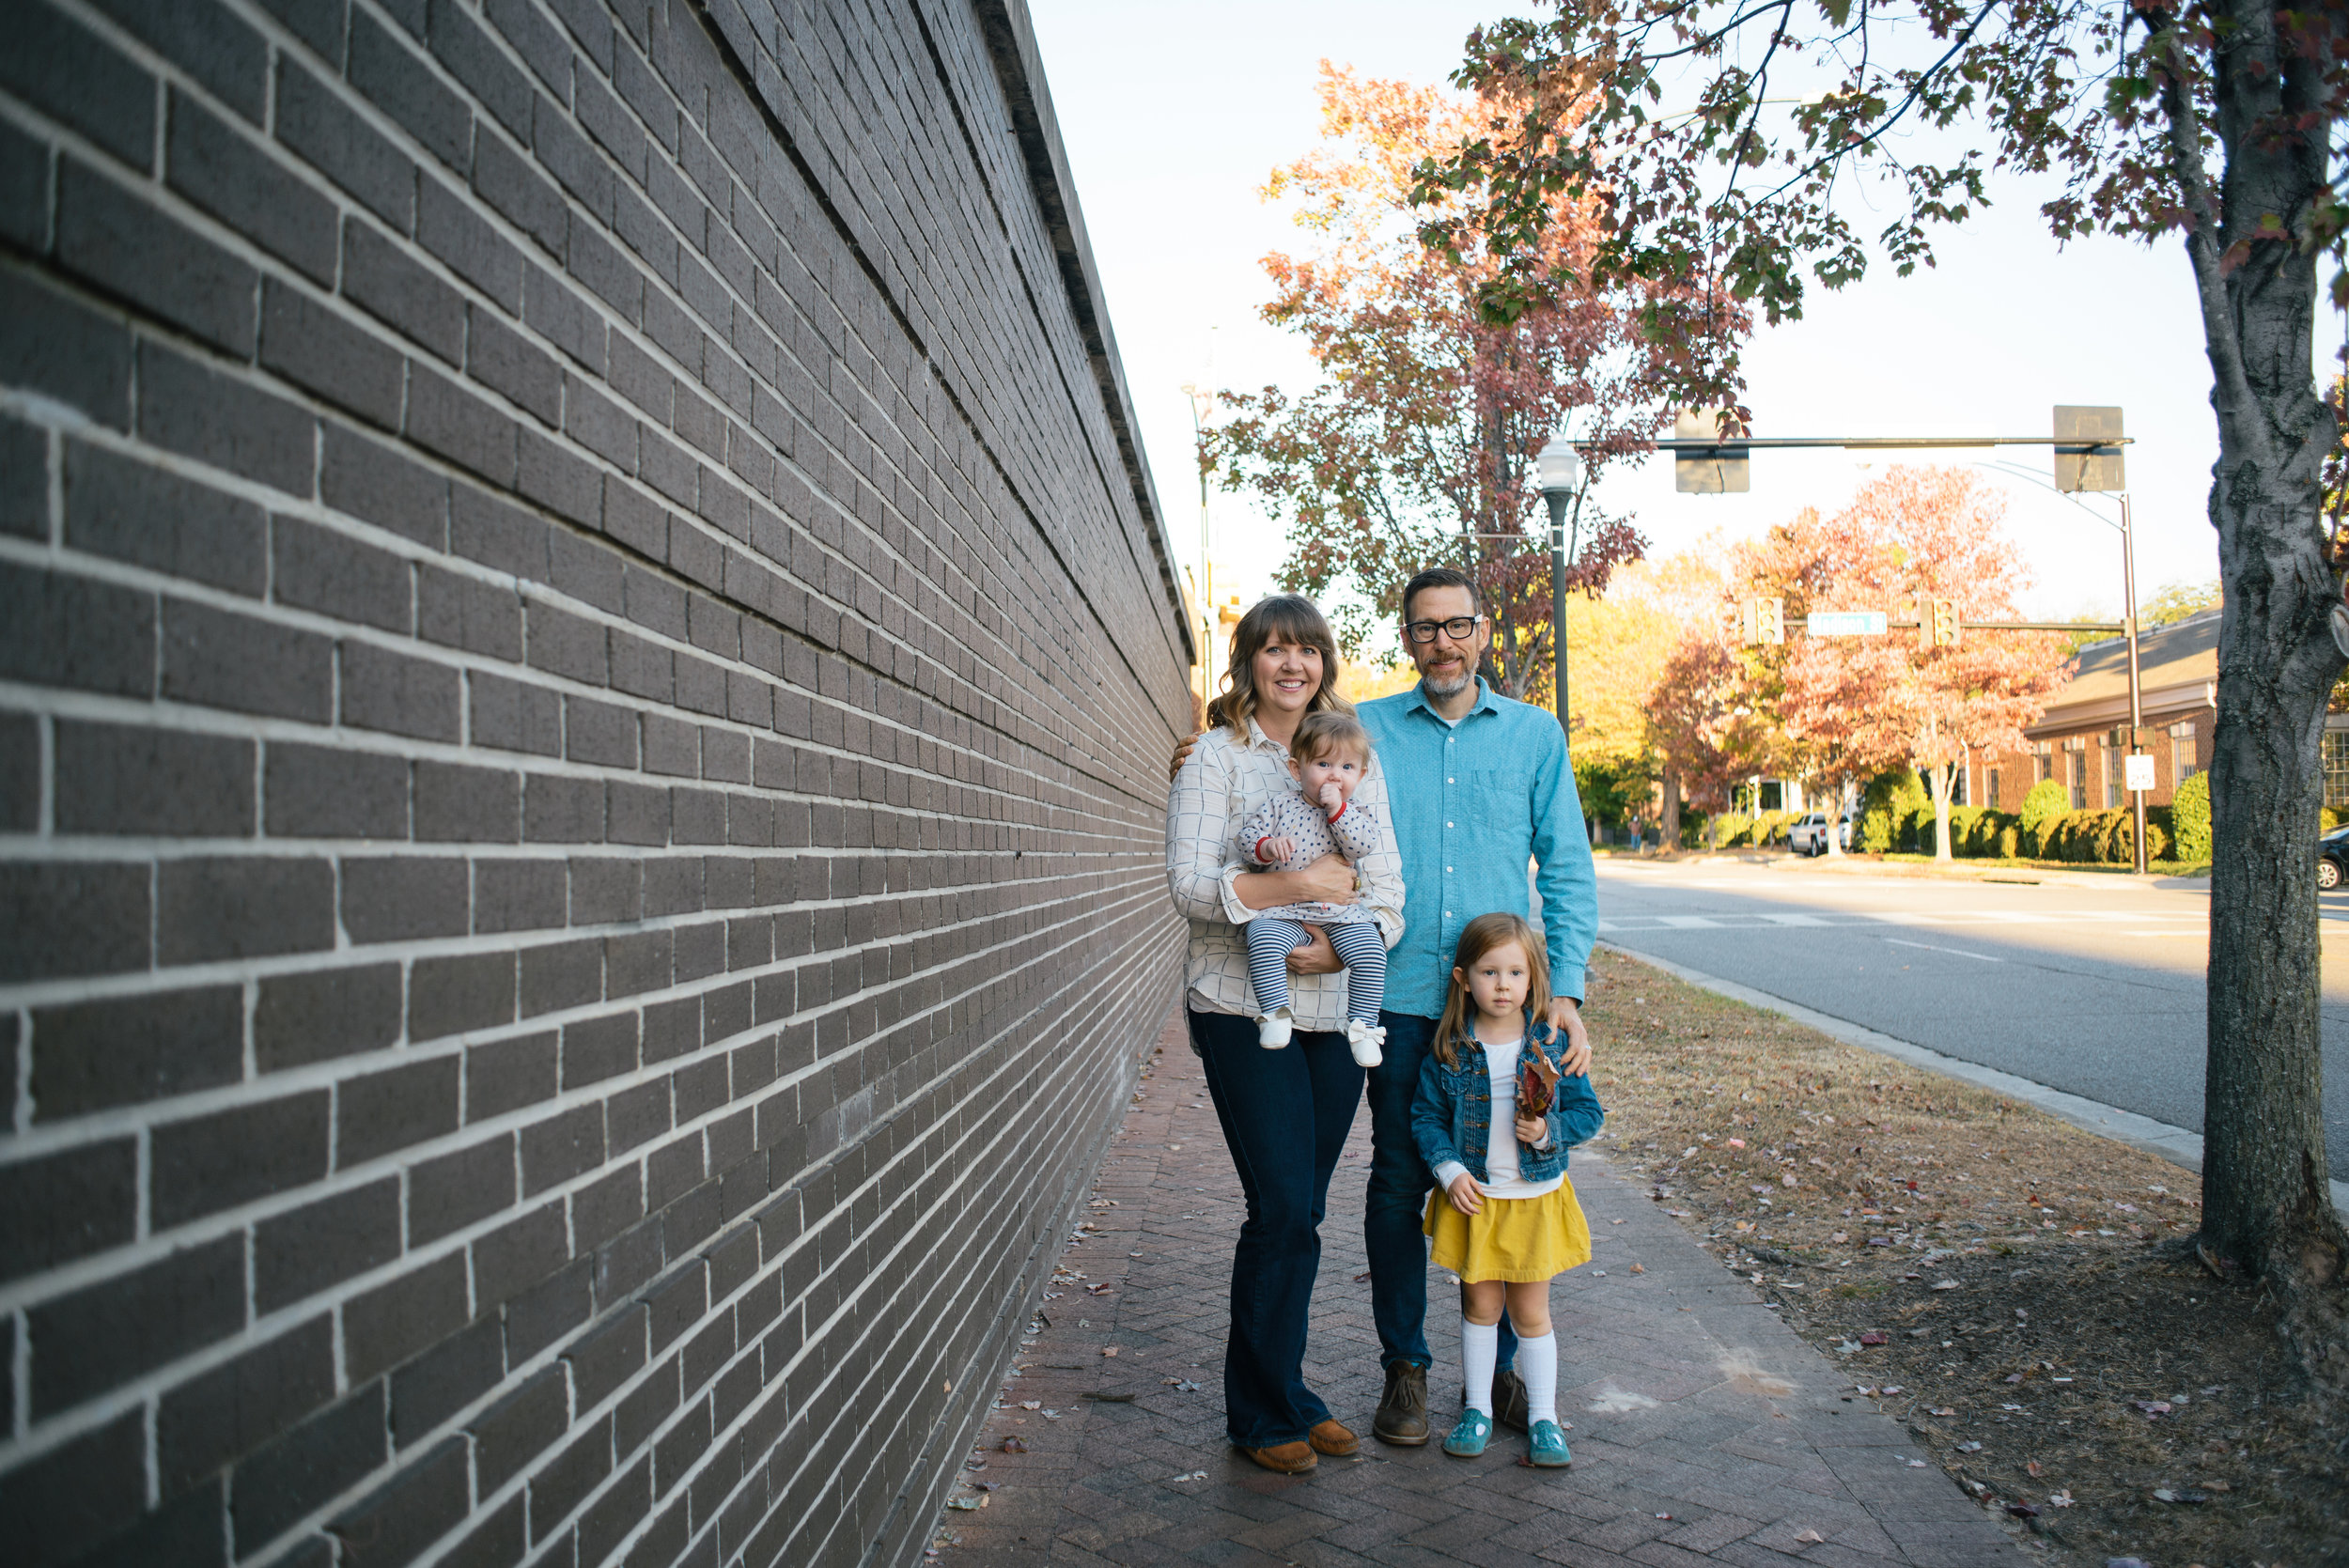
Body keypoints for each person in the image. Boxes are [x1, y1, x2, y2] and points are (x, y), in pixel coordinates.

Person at [1164, 567, 1596, 1446]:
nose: (1443, 640)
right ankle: (1344, 1386)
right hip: (1321, 1005)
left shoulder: (1469, 742)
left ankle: (1484, 1374)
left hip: (1414, 1008)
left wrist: (1570, 988)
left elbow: (1528, 874)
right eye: (1425, 627)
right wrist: (1282, 866)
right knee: (1345, 1192)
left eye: (1458, 625)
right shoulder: (1291, 747)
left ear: (1482, 634)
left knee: (1477, 1181)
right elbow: (1209, 856)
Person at [1163, 595, 1405, 1475]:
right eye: (1274, 651)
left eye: (1307, 649)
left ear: (1325, 662)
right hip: (1239, 1006)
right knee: (1277, 1207)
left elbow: (1384, 889)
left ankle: (1289, 1391)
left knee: (1303, 1207)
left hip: (1337, 1012)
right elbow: (1193, 886)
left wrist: (1340, 945)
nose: (1291, 665)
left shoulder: (1352, 756)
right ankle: (1260, 1416)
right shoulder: (1215, 760)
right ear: (1249, 662)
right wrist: (1303, 882)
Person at [1411, 913, 1603, 1467]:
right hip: (1478, 1200)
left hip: (1533, 1200)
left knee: (1530, 1314)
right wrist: (1447, 1169)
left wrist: (1548, 1134)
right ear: (1462, 978)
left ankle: (1543, 1415)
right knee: (1479, 1306)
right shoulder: (1451, 1047)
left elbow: (1589, 1114)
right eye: (1489, 972)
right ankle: (1479, 1410)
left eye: (1515, 972)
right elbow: (1424, 1116)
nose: (1502, 985)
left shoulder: (1549, 1041)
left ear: (1532, 978)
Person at [1237, 709, 1389, 1063]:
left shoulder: (1357, 811)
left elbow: (1361, 846)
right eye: (1323, 764)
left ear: (1361, 775)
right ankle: (1275, 1015)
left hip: (1339, 913)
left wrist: (1337, 810)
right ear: (1297, 769)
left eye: (1347, 768)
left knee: (1371, 952)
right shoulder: (1279, 805)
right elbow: (1246, 839)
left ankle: (1364, 1027)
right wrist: (1266, 846)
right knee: (1262, 938)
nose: (1335, 775)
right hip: (1285, 911)